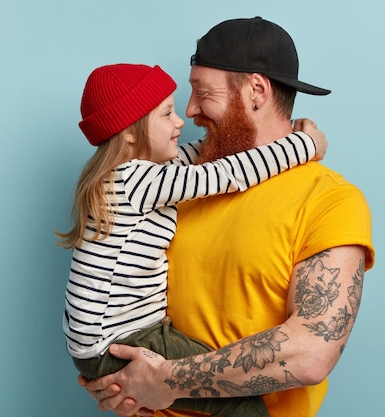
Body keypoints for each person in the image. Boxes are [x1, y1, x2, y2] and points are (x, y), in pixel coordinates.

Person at [79, 17, 375, 417]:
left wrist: (163, 382)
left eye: (203, 92)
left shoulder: (328, 200)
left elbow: (309, 353)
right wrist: (121, 385)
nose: (189, 110)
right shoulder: (175, 185)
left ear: (256, 90)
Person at [57, 62, 328, 417]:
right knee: (243, 405)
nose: (180, 121)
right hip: (118, 341)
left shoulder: (133, 177)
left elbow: (200, 155)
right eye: (167, 114)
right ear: (130, 132)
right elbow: (224, 174)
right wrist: (304, 144)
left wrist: (274, 132)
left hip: (97, 342)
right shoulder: (136, 181)